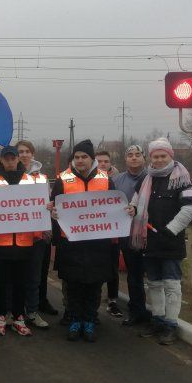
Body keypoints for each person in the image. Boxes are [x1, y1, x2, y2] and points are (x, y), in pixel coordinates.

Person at [49, 140, 118, 342]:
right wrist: (55, 234)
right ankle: (75, 320)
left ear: (92, 158)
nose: (80, 160)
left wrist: (129, 211)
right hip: (71, 243)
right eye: (77, 157)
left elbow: (115, 207)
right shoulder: (63, 179)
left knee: (94, 284)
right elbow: (55, 208)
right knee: (73, 284)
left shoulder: (106, 180)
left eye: (84, 157)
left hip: (98, 243)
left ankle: (89, 319)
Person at [131, 138, 192, 345]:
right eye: (155, 156)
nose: (159, 160)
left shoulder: (182, 179)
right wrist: (132, 210)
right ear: (150, 158)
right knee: (154, 283)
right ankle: (157, 320)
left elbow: (189, 208)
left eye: (163, 156)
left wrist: (170, 230)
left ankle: (171, 325)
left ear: (171, 156)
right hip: (149, 241)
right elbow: (134, 203)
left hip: (170, 242)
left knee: (172, 284)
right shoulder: (145, 179)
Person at [0, 146, 36, 337]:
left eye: (13, 158)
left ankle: (19, 317)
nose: (10, 161)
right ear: (1, 160)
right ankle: (1, 316)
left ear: (18, 159)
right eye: (6, 158)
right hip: (0, 242)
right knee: (1, 282)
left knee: (21, 282)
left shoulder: (30, 181)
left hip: (24, 242)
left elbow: (38, 206)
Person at [113, 144, 152, 326]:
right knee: (134, 275)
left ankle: (159, 314)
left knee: (156, 277)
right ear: (125, 159)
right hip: (127, 234)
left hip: (150, 234)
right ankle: (137, 310)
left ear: (144, 158)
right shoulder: (117, 180)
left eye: (138, 154)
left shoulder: (152, 177)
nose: (134, 158)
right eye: (130, 155)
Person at [16, 140, 51, 330]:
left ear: (33, 153)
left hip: (36, 236)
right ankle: (16, 311)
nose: (23, 154)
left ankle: (32, 311)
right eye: (20, 151)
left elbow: (47, 203)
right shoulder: (10, 175)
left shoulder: (42, 178)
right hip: (16, 236)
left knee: (34, 277)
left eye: (27, 151)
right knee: (16, 276)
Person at [96, 149, 124, 319]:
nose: (103, 164)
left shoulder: (119, 179)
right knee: (97, 269)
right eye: (99, 161)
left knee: (113, 270)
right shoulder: (91, 179)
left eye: (106, 161)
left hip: (113, 233)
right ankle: (95, 302)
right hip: (96, 234)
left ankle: (112, 301)